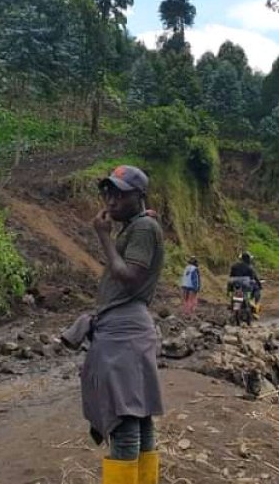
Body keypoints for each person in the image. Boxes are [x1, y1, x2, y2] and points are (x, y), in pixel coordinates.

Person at [84, 165, 165, 484]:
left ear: (139, 196)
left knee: (125, 420)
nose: (111, 200)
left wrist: (103, 237)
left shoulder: (143, 228)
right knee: (139, 415)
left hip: (125, 331)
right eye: (108, 192)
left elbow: (130, 278)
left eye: (119, 193)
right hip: (127, 328)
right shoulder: (137, 226)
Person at [228, 252, 262, 319]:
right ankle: (253, 303)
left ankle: (231, 299)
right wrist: (259, 285)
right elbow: (253, 278)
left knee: (232, 290)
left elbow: (231, 276)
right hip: (245, 286)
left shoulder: (234, 266)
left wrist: (230, 289)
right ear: (248, 259)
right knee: (253, 290)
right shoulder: (249, 267)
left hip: (235, 284)